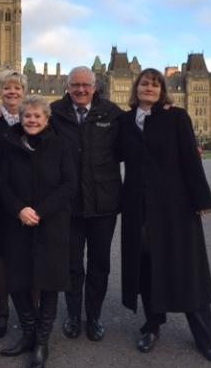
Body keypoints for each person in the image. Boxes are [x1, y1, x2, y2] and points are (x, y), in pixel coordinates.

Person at [118, 68, 211, 363]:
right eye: (144, 83)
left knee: (188, 269)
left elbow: (190, 158)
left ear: (162, 90)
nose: (149, 88)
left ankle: (205, 336)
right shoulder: (125, 121)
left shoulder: (176, 117)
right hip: (139, 207)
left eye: (155, 84)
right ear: (135, 88)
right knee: (146, 265)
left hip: (175, 207)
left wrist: (201, 199)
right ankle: (153, 324)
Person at [0, 95, 76, 368]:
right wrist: (20, 209)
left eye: (37, 116)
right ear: (21, 118)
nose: (31, 120)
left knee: (49, 283)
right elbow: (3, 185)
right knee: (18, 281)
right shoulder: (10, 144)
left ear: (46, 119)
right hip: (18, 222)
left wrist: (40, 211)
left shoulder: (61, 146)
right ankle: (28, 334)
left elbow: (68, 185)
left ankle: (42, 342)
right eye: (27, 116)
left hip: (51, 223)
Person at [50, 66, 122, 341]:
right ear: (67, 86)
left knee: (99, 264)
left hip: (103, 204)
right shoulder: (55, 112)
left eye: (86, 85)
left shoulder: (112, 113)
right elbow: (29, 130)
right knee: (72, 265)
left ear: (95, 87)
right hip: (68, 205)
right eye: (75, 85)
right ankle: (72, 315)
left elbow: (141, 139)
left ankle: (93, 317)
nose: (80, 90)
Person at [0, 69, 28, 338]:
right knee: (3, 255)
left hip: (28, 200)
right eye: (7, 89)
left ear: (24, 92)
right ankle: (3, 310)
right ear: (0, 92)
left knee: (32, 254)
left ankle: (30, 313)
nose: (12, 92)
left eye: (17, 88)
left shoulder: (34, 117)